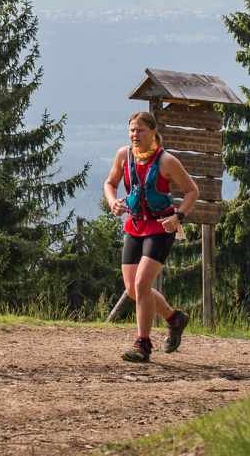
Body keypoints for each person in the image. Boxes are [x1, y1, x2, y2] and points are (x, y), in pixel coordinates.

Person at [104, 110, 199, 362]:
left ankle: (143, 344)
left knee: (142, 285)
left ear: (153, 132)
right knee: (133, 290)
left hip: (161, 228)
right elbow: (110, 183)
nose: (135, 134)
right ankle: (174, 318)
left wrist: (178, 216)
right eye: (132, 130)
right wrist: (112, 201)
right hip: (134, 226)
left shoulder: (166, 161)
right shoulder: (124, 155)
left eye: (140, 130)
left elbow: (192, 191)